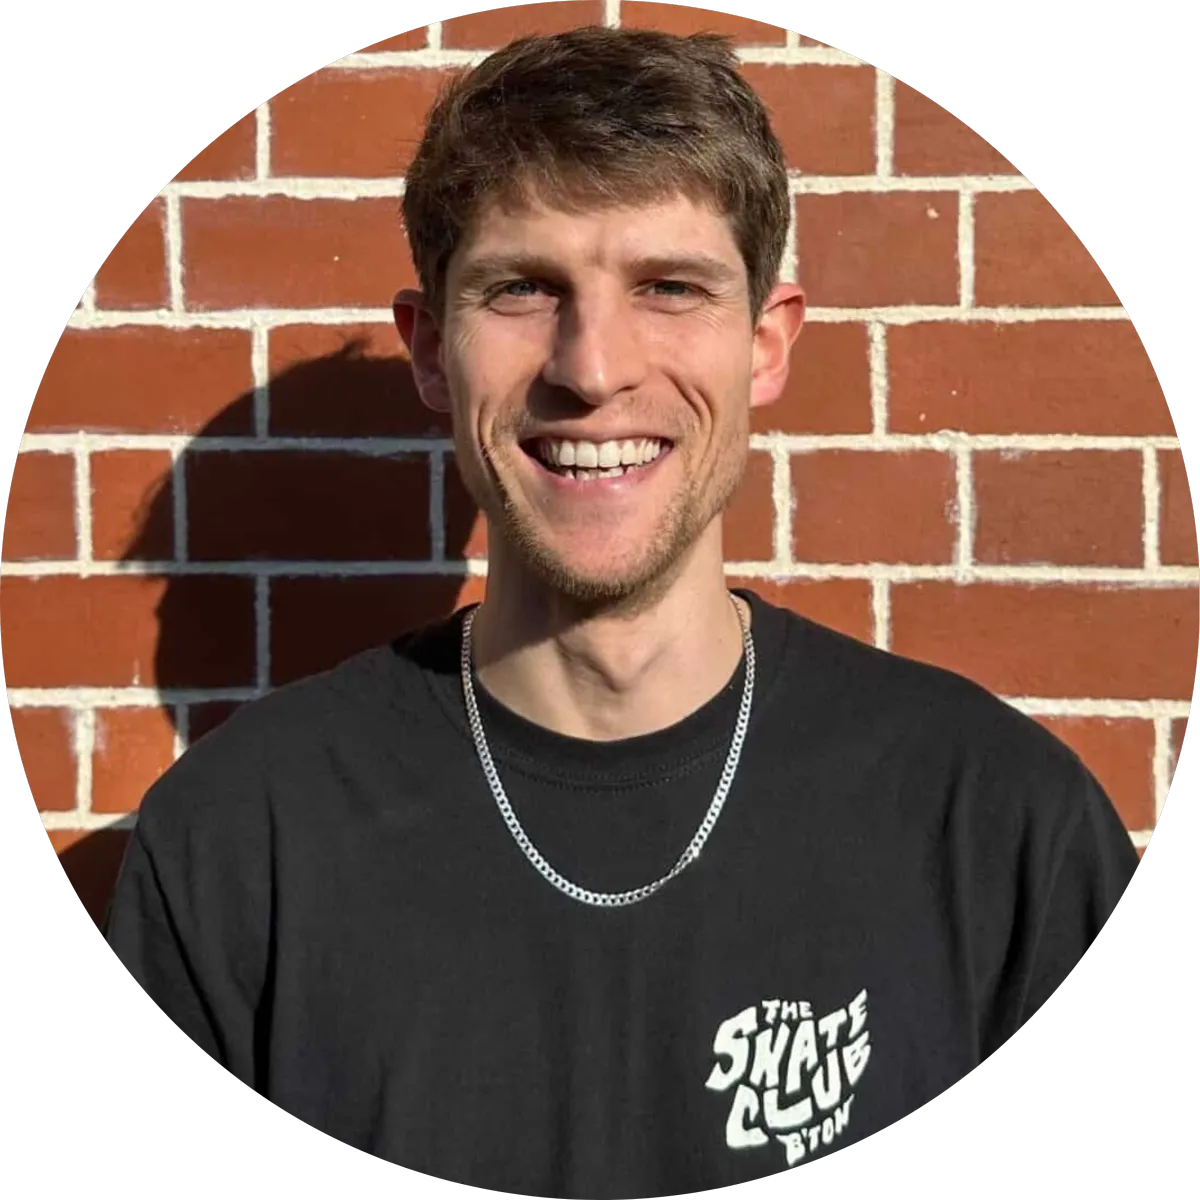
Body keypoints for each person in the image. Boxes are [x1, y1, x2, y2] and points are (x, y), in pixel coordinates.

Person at [101, 25, 1138, 1196]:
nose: (592, 369)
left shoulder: (1000, 831)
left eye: (670, 287)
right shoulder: (238, 848)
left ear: (766, 345)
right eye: (522, 289)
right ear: (432, 351)